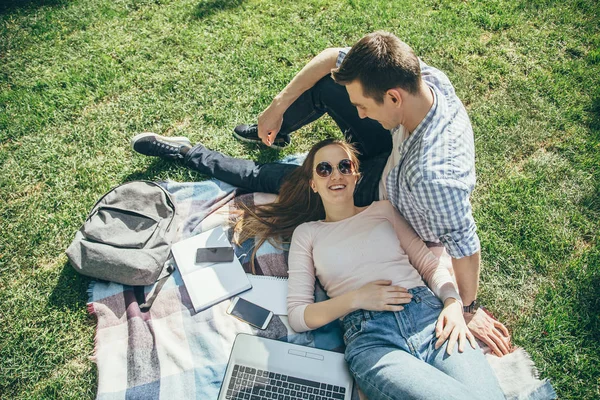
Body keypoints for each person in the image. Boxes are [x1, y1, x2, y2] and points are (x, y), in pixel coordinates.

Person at [131, 31, 511, 356]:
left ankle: (187, 151)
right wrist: (277, 106)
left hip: (380, 195)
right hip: (394, 151)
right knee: (330, 86)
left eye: (364, 107)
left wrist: (468, 306)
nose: (358, 116)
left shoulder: (433, 178)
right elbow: (332, 57)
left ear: (393, 98)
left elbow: (465, 244)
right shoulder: (425, 81)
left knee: (271, 178)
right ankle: (273, 129)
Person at [234, 138, 505, 400]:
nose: (336, 175)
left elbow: (428, 265)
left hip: (430, 319)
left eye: (344, 166)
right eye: (324, 169)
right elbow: (299, 316)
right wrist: (357, 298)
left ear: (356, 175)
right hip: (372, 340)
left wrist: (454, 303)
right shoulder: (308, 234)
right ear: (313, 184)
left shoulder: (384, 210)